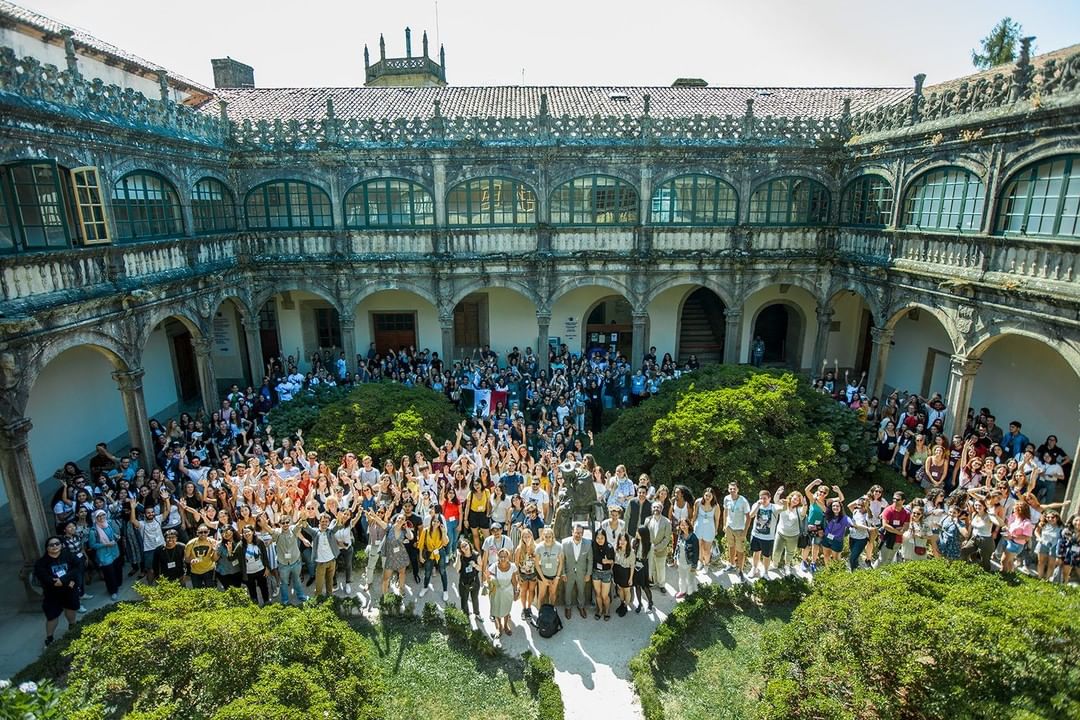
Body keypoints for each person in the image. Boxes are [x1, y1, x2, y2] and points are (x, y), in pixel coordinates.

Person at [34, 536, 80, 646]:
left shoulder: (69, 556)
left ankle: (72, 627)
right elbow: (43, 576)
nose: (55, 546)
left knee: (70, 608)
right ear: (47, 548)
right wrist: (57, 582)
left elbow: (77, 568)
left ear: (61, 545)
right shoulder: (41, 562)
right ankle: (49, 638)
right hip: (52, 593)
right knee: (52, 616)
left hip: (69, 590)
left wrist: (64, 580)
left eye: (57, 544)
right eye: (51, 545)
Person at [87, 509, 122, 601]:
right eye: (99, 516)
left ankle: (117, 585)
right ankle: (112, 591)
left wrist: (116, 536)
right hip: (104, 555)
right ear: (95, 518)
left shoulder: (108, 524)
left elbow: (111, 534)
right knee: (109, 574)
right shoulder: (93, 531)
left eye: (103, 515)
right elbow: (92, 545)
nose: (101, 517)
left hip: (114, 551)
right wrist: (105, 545)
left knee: (117, 569)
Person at [486, 547, 519, 638]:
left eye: (505, 556)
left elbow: (514, 580)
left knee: (506, 609)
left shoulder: (512, 566)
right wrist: (491, 579)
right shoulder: (494, 566)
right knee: (497, 610)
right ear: (498, 557)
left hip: (508, 591)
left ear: (508, 557)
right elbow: (487, 576)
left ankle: (505, 625)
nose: (503, 558)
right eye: (501, 556)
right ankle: (499, 627)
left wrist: (516, 590)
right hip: (496, 591)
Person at [748, 487, 780, 578]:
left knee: (766, 555)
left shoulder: (774, 507)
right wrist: (758, 505)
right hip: (756, 534)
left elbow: (783, 508)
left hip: (768, 537)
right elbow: (751, 515)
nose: (762, 500)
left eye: (765, 498)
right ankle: (754, 568)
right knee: (756, 552)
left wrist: (778, 495)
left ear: (769, 498)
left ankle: (765, 572)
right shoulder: (756, 504)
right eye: (761, 498)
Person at [561, 523, 591, 620]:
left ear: (583, 533)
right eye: (576, 532)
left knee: (581, 591)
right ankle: (568, 607)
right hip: (568, 572)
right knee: (568, 591)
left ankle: (581, 606)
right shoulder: (564, 543)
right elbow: (562, 560)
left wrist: (588, 574)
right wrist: (563, 573)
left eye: (580, 533)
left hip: (582, 573)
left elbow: (590, 560)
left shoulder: (588, 543)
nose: (578, 535)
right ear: (572, 532)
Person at [418, 514, 450, 601]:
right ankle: (425, 587)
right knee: (427, 572)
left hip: (440, 552)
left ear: (440, 523)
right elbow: (421, 544)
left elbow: (445, 543)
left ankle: (445, 591)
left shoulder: (442, 530)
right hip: (429, 553)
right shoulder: (425, 531)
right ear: (431, 521)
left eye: (438, 521)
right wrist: (420, 556)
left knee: (443, 571)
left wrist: (443, 532)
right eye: (434, 521)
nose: (435, 523)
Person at [723, 482, 752, 578]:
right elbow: (725, 511)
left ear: (737, 490)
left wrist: (745, 531)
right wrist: (724, 524)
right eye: (730, 489)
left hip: (740, 529)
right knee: (731, 546)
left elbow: (748, 517)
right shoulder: (727, 498)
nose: (732, 490)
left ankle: (740, 570)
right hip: (729, 527)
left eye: (734, 489)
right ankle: (732, 564)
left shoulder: (743, 501)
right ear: (728, 489)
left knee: (740, 550)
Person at [876, 491, 910, 566]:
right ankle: (872, 575)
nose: (895, 501)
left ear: (903, 501)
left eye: (897, 499)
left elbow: (906, 526)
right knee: (882, 559)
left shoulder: (906, 513)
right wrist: (898, 531)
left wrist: (901, 529)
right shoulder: (888, 510)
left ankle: (882, 576)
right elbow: (885, 525)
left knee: (889, 560)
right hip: (887, 538)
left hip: (898, 540)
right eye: (893, 499)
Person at [239, 525, 271, 604]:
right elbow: (233, 558)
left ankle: (266, 602)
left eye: (248, 532)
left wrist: (267, 568)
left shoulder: (259, 542)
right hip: (249, 573)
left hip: (261, 570)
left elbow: (265, 555)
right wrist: (229, 551)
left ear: (253, 532)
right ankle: (255, 605)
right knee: (252, 589)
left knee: (264, 587)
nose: (246, 534)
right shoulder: (240, 545)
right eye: (244, 532)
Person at [644, 501, 671, 592]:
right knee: (652, 567)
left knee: (661, 568)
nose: (656, 509)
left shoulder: (667, 522)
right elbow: (645, 534)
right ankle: (654, 582)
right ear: (652, 509)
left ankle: (662, 584)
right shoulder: (647, 520)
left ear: (661, 509)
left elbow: (667, 538)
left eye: (658, 507)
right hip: (649, 549)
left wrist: (657, 547)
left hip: (661, 550)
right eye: (654, 507)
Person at [533, 526, 562, 610]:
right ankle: (540, 613)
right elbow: (537, 564)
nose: (548, 538)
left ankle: (551, 611)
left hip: (554, 575)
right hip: (543, 575)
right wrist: (543, 578)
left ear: (553, 536)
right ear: (543, 536)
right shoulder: (539, 547)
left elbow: (560, 563)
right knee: (541, 595)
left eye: (550, 536)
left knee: (552, 594)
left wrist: (557, 577)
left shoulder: (558, 546)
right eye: (546, 536)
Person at [590, 528, 615, 620]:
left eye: (602, 538)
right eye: (598, 538)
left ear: (605, 538)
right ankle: (600, 610)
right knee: (598, 594)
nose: (600, 540)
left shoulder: (609, 547)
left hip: (606, 573)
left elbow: (613, 561)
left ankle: (607, 611)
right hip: (596, 572)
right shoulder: (593, 546)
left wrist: (608, 561)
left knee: (605, 595)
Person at [692, 487, 720, 570]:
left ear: (713, 496)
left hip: (709, 528)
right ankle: (700, 561)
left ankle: (706, 564)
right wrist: (692, 525)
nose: (707, 497)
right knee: (699, 546)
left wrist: (716, 530)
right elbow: (695, 514)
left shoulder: (716, 506)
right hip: (698, 526)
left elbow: (717, 519)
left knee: (707, 549)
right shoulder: (698, 502)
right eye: (706, 495)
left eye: (709, 496)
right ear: (703, 495)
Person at [454, 538, 482, 618]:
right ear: (460, 549)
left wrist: (475, 565)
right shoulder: (460, 557)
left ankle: (477, 613)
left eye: (465, 545)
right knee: (464, 599)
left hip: (474, 580)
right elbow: (457, 569)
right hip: (463, 582)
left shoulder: (476, 555)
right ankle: (466, 616)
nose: (465, 547)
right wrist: (458, 557)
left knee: (475, 598)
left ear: (469, 544)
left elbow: (481, 568)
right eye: (462, 547)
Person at [185, 524, 218, 589]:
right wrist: (191, 561)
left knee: (210, 591)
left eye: (205, 532)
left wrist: (215, 551)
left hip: (209, 570)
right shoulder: (190, 544)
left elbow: (214, 559)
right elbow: (186, 559)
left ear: (208, 532)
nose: (203, 534)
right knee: (197, 592)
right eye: (200, 532)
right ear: (197, 533)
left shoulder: (213, 542)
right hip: (195, 571)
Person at [631, 525, 654, 612]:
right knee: (637, 586)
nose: (637, 533)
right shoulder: (634, 541)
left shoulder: (650, 546)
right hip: (635, 565)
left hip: (644, 566)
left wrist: (650, 574)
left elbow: (650, 560)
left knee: (645, 587)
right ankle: (639, 604)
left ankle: (650, 602)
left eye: (639, 532)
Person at [674, 518, 698, 599]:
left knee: (690, 579)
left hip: (689, 563)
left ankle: (690, 594)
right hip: (680, 561)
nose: (683, 527)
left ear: (688, 525)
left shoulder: (693, 538)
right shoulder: (680, 535)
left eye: (685, 525)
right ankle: (682, 591)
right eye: (681, 525)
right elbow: (677, 547)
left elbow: (696, 553)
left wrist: (694, 566)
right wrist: (675, 558)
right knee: (681, 578)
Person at [612, 532, 635, 616]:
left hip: (626, 573)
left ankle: (625, 606)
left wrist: (630, 578)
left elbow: (632, 566)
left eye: (624, 540)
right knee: (620, 589)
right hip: (617, 572)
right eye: (620, 540)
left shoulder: (631, 552)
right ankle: (621, 603)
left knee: (627, 590)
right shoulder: (616, 550)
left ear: (627, 541)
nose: (622, 542)